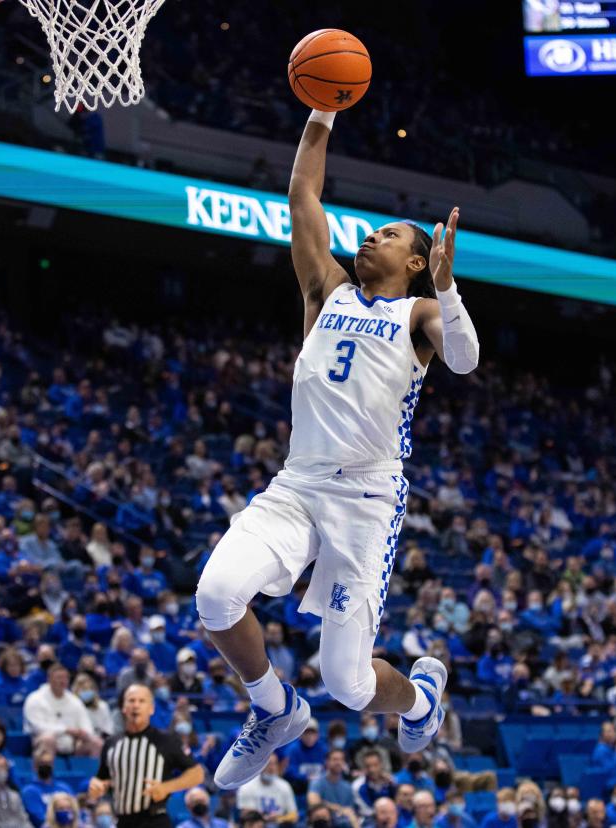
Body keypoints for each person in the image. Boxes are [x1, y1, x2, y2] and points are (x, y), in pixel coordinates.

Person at [193, 102, 479, 790]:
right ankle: (275, 709)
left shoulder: (420, 312)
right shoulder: (326, 290)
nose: (370, 237)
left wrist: (447, 285)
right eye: (371, 230)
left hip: (365, 498)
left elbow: (465, 360)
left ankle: (420, 698)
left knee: (350, 687)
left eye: (386, 234)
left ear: (415, 260)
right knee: (214, 596)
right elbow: (302, 195)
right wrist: (321, 108)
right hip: (297, 484)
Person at [87, 684, 204, 828]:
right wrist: (97, 785)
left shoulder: (166, 740)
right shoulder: (111, 743)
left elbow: (197, 774)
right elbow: (102, 778)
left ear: (151, 708)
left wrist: (167, 787)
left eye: (142, 701)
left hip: (154, 820)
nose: (136, 705)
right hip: (122, 821)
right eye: (131, 700)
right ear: (123, 707)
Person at [23, 662, 100, 755]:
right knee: (48, 739)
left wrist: (83, 734)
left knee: (96, 742)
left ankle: (90, 769)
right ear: (49, 679)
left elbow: (86, 725)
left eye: (66, 678)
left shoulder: (75, 701)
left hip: (73, 743)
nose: (63, 681)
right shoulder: (35, 699)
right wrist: (65, 730)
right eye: (59, 677)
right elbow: (37, 727)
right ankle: (47, 769)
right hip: (43, 742)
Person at [20, 744, 74, 826]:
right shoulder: (29, 791)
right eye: (42, 763)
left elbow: (75, 811)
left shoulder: (64, 787)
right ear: (34, 766)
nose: (46, 766)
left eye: (49, 763)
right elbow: (40, 819)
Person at [237, 757, 298, 824]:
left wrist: (279, 818)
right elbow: (245, 814)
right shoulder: (247, 786)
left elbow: (294, 816)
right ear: (260, 766)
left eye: (274, 764)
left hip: (278, 825)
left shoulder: (284, 786)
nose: (272, 768)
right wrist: (264, 818)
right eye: (268, 764)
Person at [309, 748, 357, 818]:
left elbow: (350, 810)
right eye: (335, 759)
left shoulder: (347, 787)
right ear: (327, 762)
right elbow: (313, 803)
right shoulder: (316, 782)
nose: (338, 763)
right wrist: (337, 808)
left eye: (341, 759)